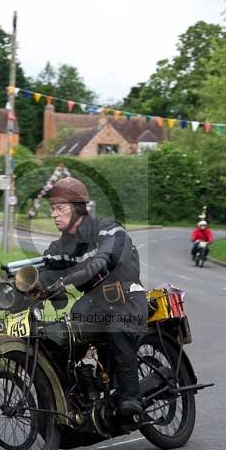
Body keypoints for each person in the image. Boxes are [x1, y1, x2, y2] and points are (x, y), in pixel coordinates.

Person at [40, 177, 147, 422]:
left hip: (127, 296)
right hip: (93, 302)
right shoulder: (59, 247)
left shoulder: (107, 227)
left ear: (78, 208)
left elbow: (110, 250)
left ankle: (130, 400)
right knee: (58, 336)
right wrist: (17, 291)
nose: (54, 214)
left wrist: (98, 261)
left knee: (117, 329)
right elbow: (46, 272)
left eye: (60, 208)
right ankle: (82, 394)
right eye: (52, 209)